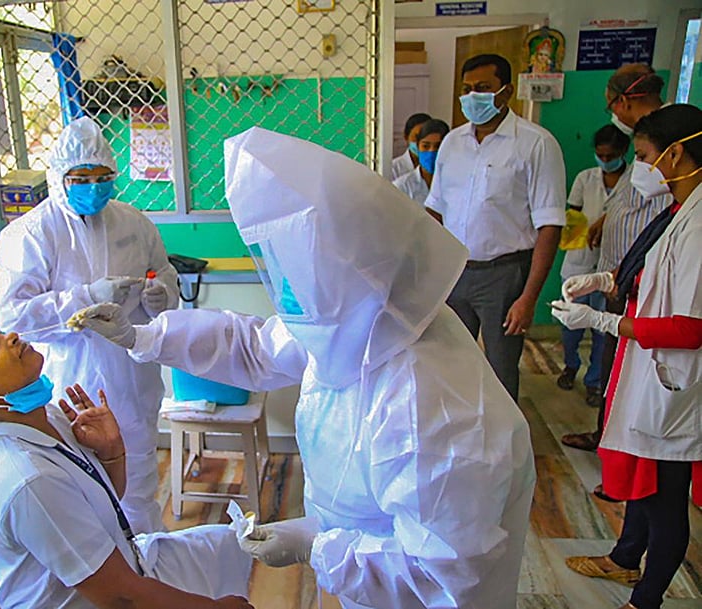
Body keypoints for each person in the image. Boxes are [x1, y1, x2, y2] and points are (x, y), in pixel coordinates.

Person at [74, 127, 536, 609]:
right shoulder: (360, 320)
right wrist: (143, 336)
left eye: (294, 272)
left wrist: (318, 545)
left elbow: (442, 574)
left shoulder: (432, 405)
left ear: (353, 268)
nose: (285, 289)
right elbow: (255, 346)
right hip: (363, 578)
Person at [0, 326, 253, 609]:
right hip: (101, 598)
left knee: (230, 546)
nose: (10, 336)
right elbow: (121, 596)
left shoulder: (48, 417)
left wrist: (111, 452)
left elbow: (102, 504)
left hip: (123, 569)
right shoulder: (29, 480)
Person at [0, 117, 179, 533]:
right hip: (70, 380)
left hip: (132, 376)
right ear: (60, 177)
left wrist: (161, 295)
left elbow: (164, 273)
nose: (94, 186)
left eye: (102, 176)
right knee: (81, 492)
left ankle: (150, 573)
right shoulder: (31, 234)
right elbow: (14, 318)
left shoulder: (133, 222)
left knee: (139, 486)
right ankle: (102, 579)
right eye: (81, 177)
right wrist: (87, 297)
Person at [552, 104, 702, 609]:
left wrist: (603, 321)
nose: (639, 168)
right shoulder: (677, 210)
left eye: (642, 155)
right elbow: (655, 275)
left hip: (673, 380)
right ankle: (625, 559)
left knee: (665, 499)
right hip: (647, 367)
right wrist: (604, 281)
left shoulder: (700, 221)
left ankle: (648, 599)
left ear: (676, 153)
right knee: (644, 479)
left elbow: (689, 327)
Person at [425, 53, 566, 401]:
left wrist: (528, 297)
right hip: (455, 270)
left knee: (501, 371)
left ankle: (504, 449)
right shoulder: (452, 143)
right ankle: (460, 442)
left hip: (505, 276)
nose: (474, 97)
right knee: (449, 364)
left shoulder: (535, 144)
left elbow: (549, 225)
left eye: (483, 88)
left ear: (507, 91)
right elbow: (436, 211)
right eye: (468, 89)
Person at [561, 64, 672, 454]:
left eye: (613, 105)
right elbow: (635, 199)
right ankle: (610, 439)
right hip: (618, 272)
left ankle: (620, 448)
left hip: (642, 278)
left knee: (625, 371)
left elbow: (662, 210)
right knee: (614, 365)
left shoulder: (663, 139)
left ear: (623, 101)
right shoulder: (647, 141)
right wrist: (608, 220)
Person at [556, 124, 632, 407]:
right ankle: (570, 365)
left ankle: (595, 381)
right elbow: (572, 214)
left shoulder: (632, 182)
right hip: (579, 261)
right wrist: (577, 230)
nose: (604, 159)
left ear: (623, 152)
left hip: (613, 264)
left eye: (610, 154)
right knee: (570, 324)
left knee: (603, 329)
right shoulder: (585, 179)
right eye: (600, 154)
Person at [392, 118, 450, 206]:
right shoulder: (402, 186)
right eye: (425, 146)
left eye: (438, 146)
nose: (431, 152)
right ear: (418, 147)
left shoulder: (457, 183)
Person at [391, 112, 431, 180]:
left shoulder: (437, 166)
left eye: (425, 136)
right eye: (417, 137)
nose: (421, 142)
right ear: (406, 137)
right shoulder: (394, 168)